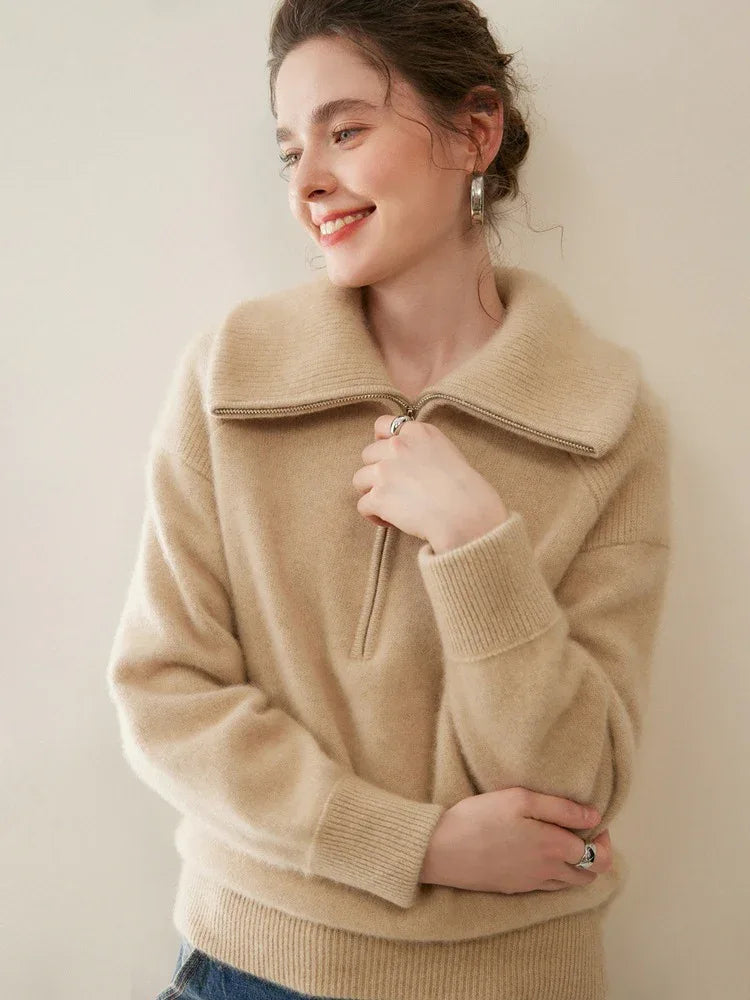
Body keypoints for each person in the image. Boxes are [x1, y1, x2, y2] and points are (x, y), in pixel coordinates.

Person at [107, 2, 672, 999]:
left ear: (475, 132)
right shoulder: (230, 376)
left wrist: (476, 538)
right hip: (254, 965)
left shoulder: (604, 420)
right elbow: (164, 693)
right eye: (291, 151)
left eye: (347, 131)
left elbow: (575, 791)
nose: (307, 183)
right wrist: (416, 844)